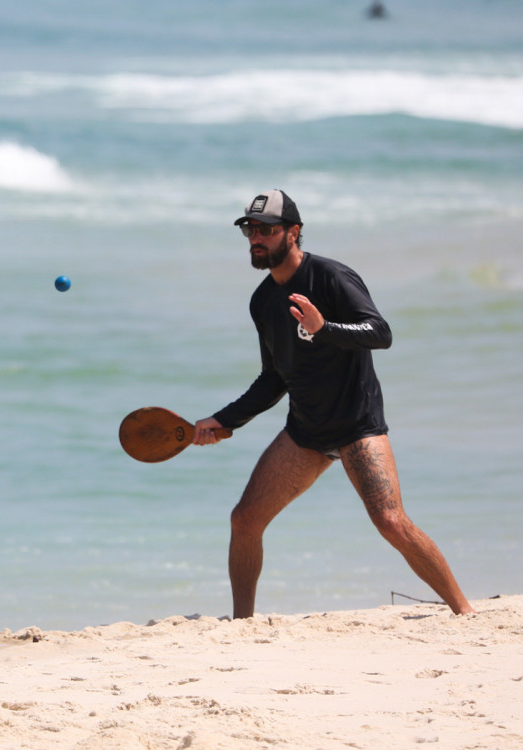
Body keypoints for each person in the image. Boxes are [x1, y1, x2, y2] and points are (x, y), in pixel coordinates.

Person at [193, 190, 474, 620]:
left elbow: (380, 333)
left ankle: (464, 611)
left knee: (390, 522)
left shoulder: (331, 278)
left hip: (358, 427)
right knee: (244, 520)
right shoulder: (262, 301)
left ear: (294, 232)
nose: (256, 238)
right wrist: (225, 420)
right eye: (251, 230)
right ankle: (242, 624)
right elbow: (274, 378)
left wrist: (324, 328)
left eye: (266, 230)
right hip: (305, 432)